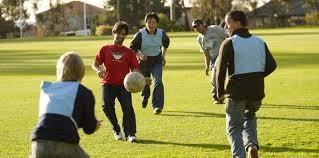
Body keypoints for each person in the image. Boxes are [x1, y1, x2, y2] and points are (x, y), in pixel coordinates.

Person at [215, 10, 277, 158]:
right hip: (256, 93)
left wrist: (219, 93)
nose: (226, 27)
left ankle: (240, 155)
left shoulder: (229, 43)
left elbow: (220, 70)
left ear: (238, 23)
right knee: (249, 117)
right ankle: (252, 146)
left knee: (234, 128)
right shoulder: (260, 41)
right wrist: (256, 77)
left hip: (237, 92)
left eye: (228, 23)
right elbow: (272, 65)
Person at [30, 52, 102, 158]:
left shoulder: (46, 89)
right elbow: (89, 129)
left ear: (59, 70)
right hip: (65, 142)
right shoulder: (83, 92)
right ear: (81, 71)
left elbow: (56, 118)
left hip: (38, 143)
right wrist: (95, 125)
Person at [92, 21, 140, 143]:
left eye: (123, 34)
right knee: (106, 106)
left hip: (124, 85)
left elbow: (135, 69)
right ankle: (116, 129)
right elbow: (95, 63)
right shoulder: (105, 49)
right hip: (108, 83)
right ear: (114, 32)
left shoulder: (129, 52)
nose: (121, 36)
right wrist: (98, 70)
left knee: (127, 108)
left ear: (125, 35)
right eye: (118, 33)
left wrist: (140, 79)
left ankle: (131, 134)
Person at [130, 12, 170, 114]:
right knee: (145, 83)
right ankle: (145, 95)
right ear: (145, 23)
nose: (151, 24)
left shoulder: (162, 33)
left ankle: (157, 106)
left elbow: (166, 44)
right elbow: (132, 47)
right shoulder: (140, 34)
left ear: (157, 23)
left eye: (153, 22)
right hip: (144, 62)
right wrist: (139, 55)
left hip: (157, 60)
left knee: (158, 81)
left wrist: (163, 55)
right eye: (149, 22)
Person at [192, 19, 228, 104]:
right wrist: (207, 66)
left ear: (203, 24)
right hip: (213, 58)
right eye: (194, 27)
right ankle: (219, 95)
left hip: (224, 54)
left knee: (217, 73)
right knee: (214, 78)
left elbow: (228, 38)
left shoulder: (215, 29)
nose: (196, 28)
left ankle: (218, 95)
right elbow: (206, 53)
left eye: (198, 26)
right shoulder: (200, 39)